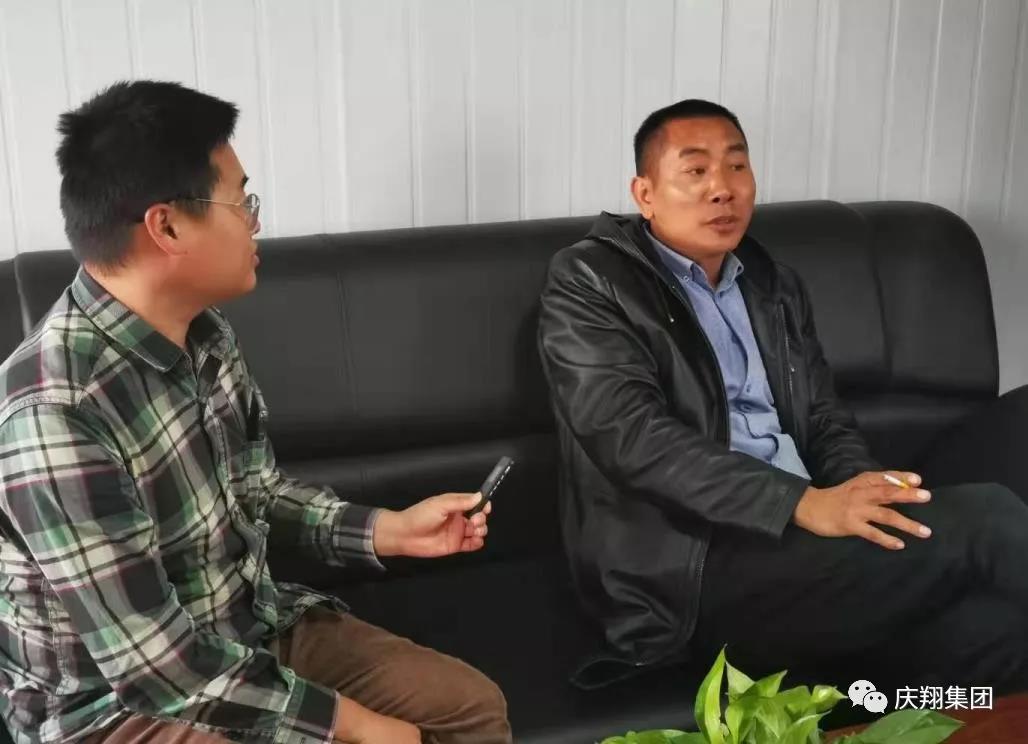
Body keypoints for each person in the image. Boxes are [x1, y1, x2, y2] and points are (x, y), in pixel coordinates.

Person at [0, 81, 511, 744]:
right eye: (242, 202)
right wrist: (366, 729)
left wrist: (391, 530)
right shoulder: (54, 411)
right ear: (167, 226)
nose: (256, 221)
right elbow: (159, 670)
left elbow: (255, 492)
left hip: (249, 631)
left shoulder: (204, 333)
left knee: (470, 709)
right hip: (117, 706)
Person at [537, 98, 1028, 692]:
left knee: (994, 633)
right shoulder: (590, 280)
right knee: (987, 518)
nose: (722, 189)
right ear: (645, 194)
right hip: (694, 567)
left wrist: (865, 495)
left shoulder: (770, 283)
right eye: (695, 170)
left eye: (736, 166)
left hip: (803, 541)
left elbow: (822, 417)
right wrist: (801, 503)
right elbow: (633, 438)